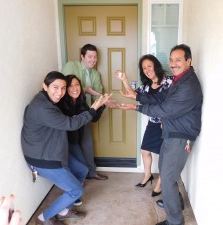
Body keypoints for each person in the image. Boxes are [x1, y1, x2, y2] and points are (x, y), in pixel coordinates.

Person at [118, 44, 203, 225]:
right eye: (171, 60)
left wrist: (136, 107)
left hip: (180, 136)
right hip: (171, 132)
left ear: (189, 61)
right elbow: (160, 98)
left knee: (168, 178)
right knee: (166, 172)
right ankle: (176, 202)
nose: (173, 64)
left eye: (178, 60)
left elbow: (165, 109)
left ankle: (175, 221)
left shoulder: (189, 85)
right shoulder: (180, 80)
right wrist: (137, 98)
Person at [21, 71, 111, 225]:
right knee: (76, 190)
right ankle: (43, 218)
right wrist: (93, 108)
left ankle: (63, 211)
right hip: (43, 159)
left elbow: (69, 120)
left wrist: (95, 108)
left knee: (81, 170)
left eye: (63, 88)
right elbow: (71, 124)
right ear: (45, 86)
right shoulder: (43, 108)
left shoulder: (47, 101)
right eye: (55, 87)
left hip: (52, 150)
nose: (60, 92)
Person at [115, 54, 173, 197]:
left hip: (167, 124)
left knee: (165, 156)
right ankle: (148, 176)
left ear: (156, 66)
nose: (147, 70)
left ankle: (160, 183)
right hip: (153, 122)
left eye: (149, 66)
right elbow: (134, 94)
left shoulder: (169, 81)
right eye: (144, 68)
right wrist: (124, 80)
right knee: (144, 150)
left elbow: (169, 103)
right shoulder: (147, 86)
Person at [58, 75, 108, 180]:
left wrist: (102, 105)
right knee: (82, 167)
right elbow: (69, 125)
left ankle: (92, 172)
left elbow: (93, 118)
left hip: (80, 133)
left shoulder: (81, 100)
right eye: (70, 86)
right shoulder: (62, 104)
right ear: (65, 88)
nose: (75, 88)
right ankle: (80, 177)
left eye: (77, 85)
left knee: (87, 125)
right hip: (69, 139)